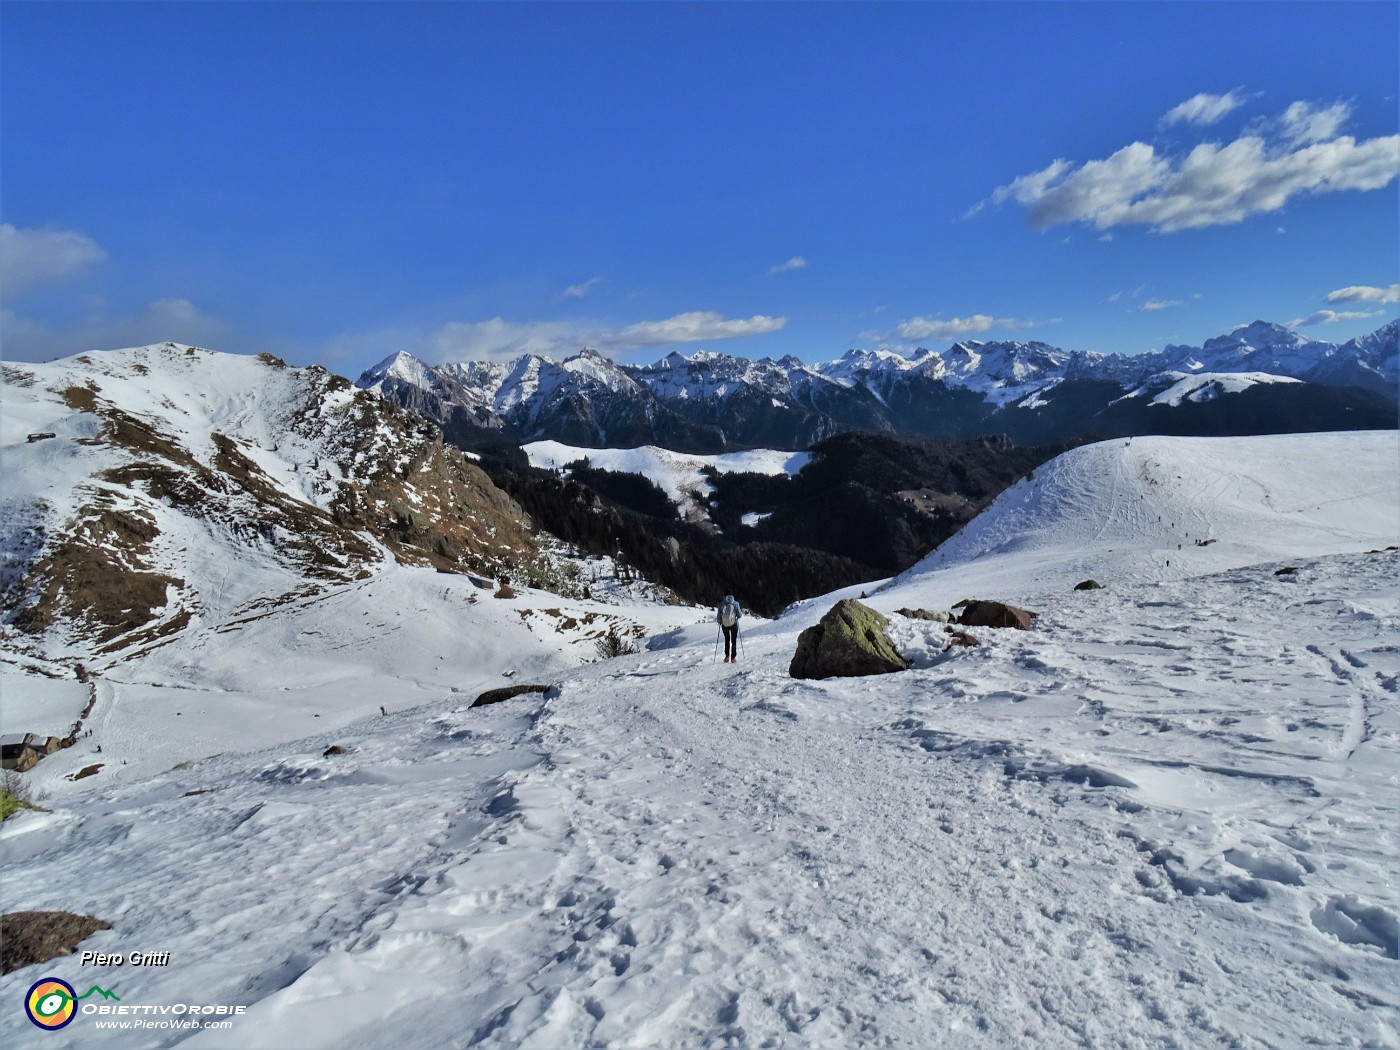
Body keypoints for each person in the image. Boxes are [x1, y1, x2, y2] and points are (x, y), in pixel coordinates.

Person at [717, 594, 742, 663]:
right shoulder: (736, 603)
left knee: (727, 639)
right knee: (733, 640)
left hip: (725, 625)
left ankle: (727, 656)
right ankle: (733, 658)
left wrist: (720, 622)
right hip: (734, 624)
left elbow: (719, 616)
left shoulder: (721, 604)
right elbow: (739, 615)